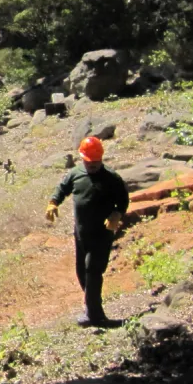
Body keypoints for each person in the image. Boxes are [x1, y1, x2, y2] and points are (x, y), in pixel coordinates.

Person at [45, 136, 128, 326]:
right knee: (82, 272)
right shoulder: (76, 174)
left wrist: (117, 214)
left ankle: (96, 316)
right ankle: (92, 307)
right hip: (81, 234)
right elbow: (62, 188)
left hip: (102, 234)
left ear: (101, 159)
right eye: (89, 162)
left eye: (96, 162)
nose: (93, 166)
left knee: (93, 271)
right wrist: (53, 202)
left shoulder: (112, 178)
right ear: (83, 159)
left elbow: (123, 200)